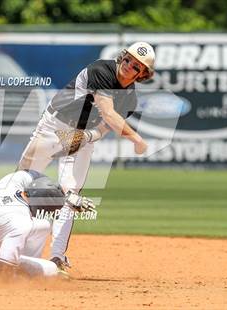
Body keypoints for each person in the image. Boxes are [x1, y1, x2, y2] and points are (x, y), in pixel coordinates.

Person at [18, 42, 156, 274]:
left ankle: (57, 258)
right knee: (22, 183)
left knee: (70, 195)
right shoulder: (101, 71)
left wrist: (91, 136)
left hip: (81, 136)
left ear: (142, 74)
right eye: (128, 59)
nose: (129, 65)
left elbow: (105, 126)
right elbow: (108, 113)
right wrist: (137, 139)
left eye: (136, 66)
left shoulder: (129, 100)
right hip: (54, 127)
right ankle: (9, 248)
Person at [0, 169, 94, 278]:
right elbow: (3, 268)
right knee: (52, 270)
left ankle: (21, 259)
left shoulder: (10, 183)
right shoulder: (21, 222)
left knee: (41, 226)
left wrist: (66, 195)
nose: (51, 213)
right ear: (43, 207)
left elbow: (33, 173)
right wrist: (22, 279)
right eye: (51, 210)